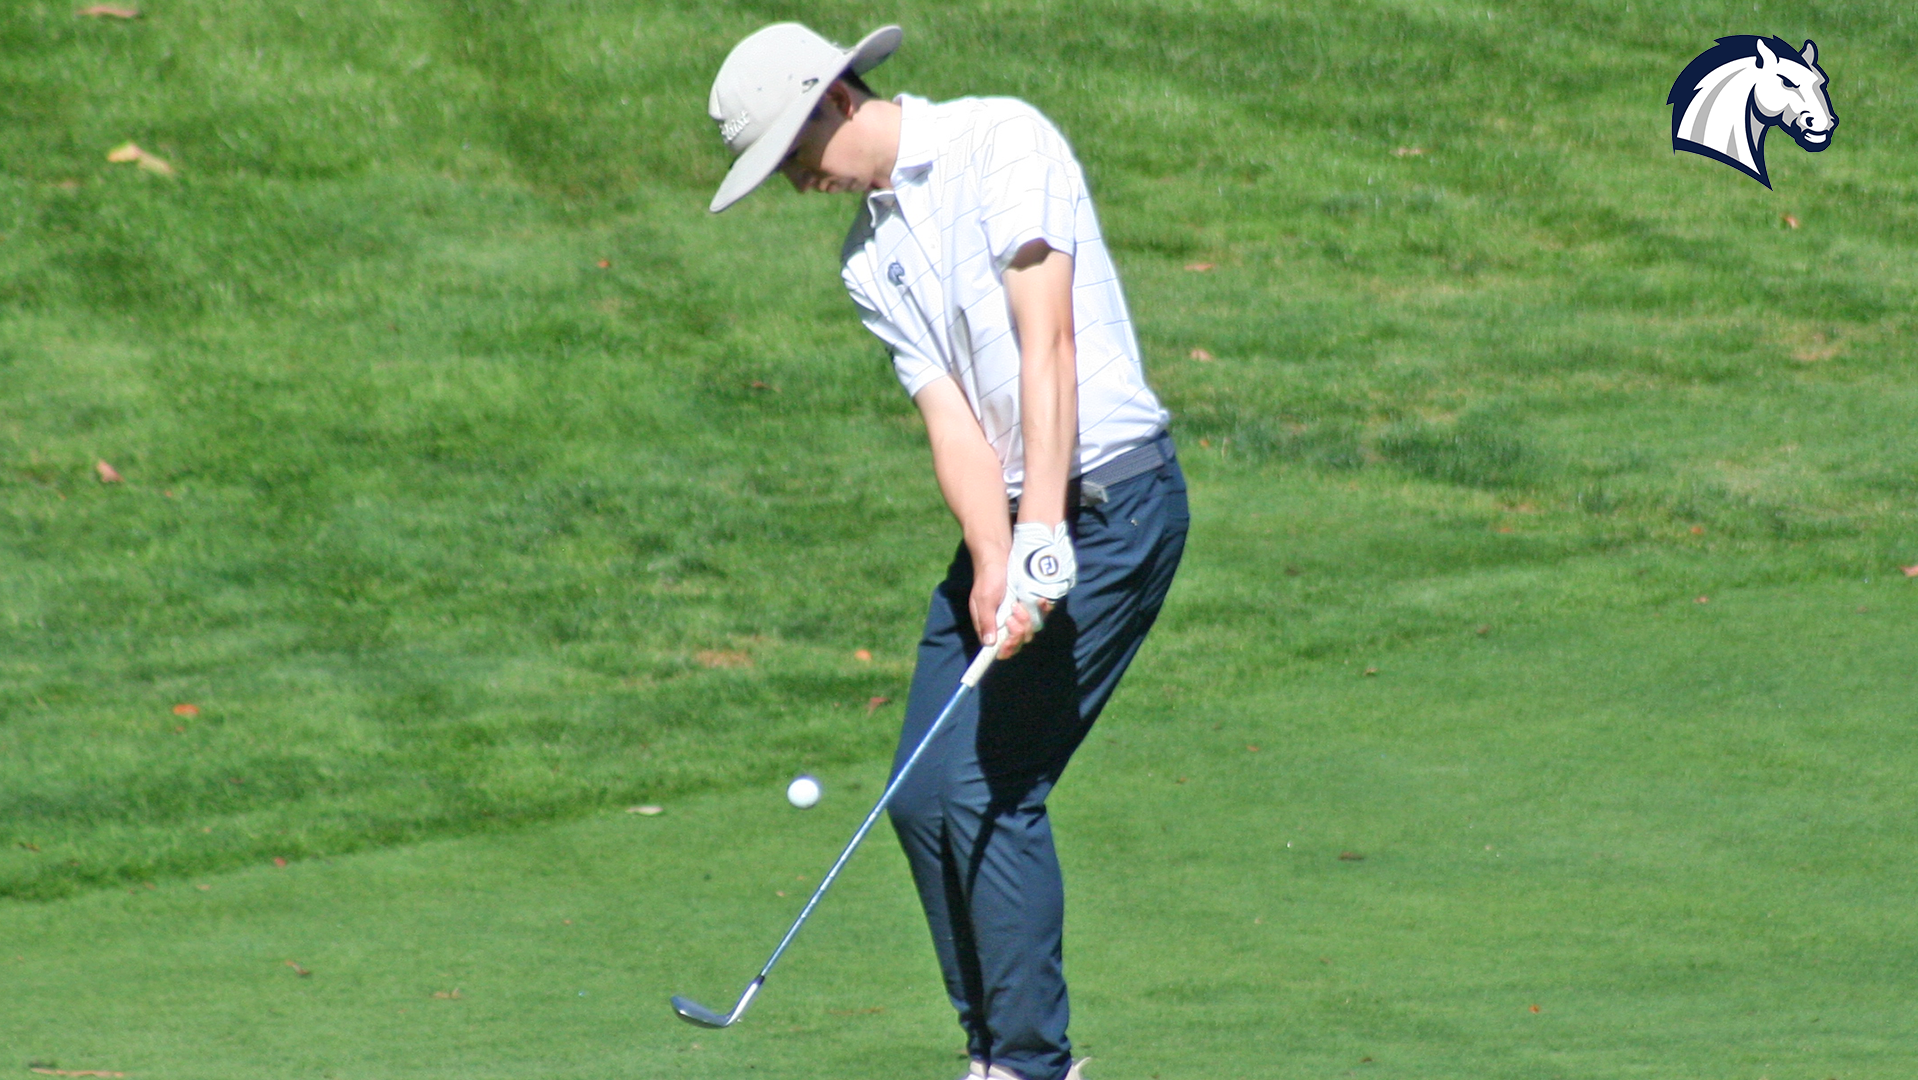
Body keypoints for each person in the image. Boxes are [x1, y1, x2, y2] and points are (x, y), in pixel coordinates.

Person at [706, 23, 1188, 1080]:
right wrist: (988, 557)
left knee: (990, 783)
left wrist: (1043, 534)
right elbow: (953, 420)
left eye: (790, 158)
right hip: (1019, 517)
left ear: (834, 98)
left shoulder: (1001, 141)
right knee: (922, 794)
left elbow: (1045, 340)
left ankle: (1028, 1063)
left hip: (1111, 501)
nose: (795, 186)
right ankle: (989, 1049)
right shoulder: (865, 257)